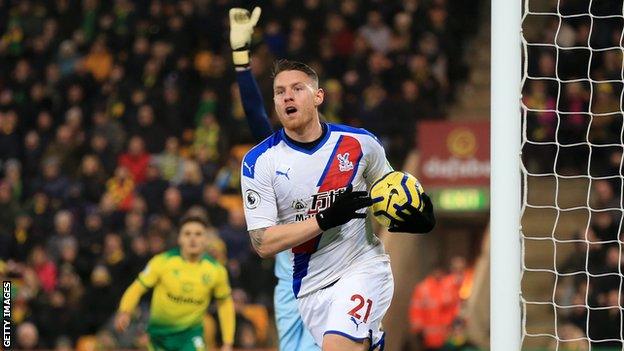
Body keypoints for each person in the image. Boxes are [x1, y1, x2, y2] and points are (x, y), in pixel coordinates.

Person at [238, 18, 436, 351]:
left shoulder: (360, 144)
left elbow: (392, 192)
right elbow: (262, 242)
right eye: (279, 92)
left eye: (297, 88)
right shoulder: (259, 162)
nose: (288, 97)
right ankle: (374, 341)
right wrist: (325, 218)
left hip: (363, 267)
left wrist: (419, 213)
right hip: (309, 287)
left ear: (318, 96)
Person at [229, 7, 318, 351]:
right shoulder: (272, 156)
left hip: (331, 277)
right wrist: (240, 59)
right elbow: (254, 112)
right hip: (288, 278)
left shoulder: (341, 154)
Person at [114, 216, 235, 351]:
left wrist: (228, 342)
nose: (193, 239)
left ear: (206, 239)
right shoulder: (162, 261)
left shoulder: (217, 270)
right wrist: (125, 311)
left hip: (191, 335)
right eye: (187, 234)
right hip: (159, 336)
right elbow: (137, 288)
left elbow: (225, 304)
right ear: (179, 238)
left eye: (198, 234)